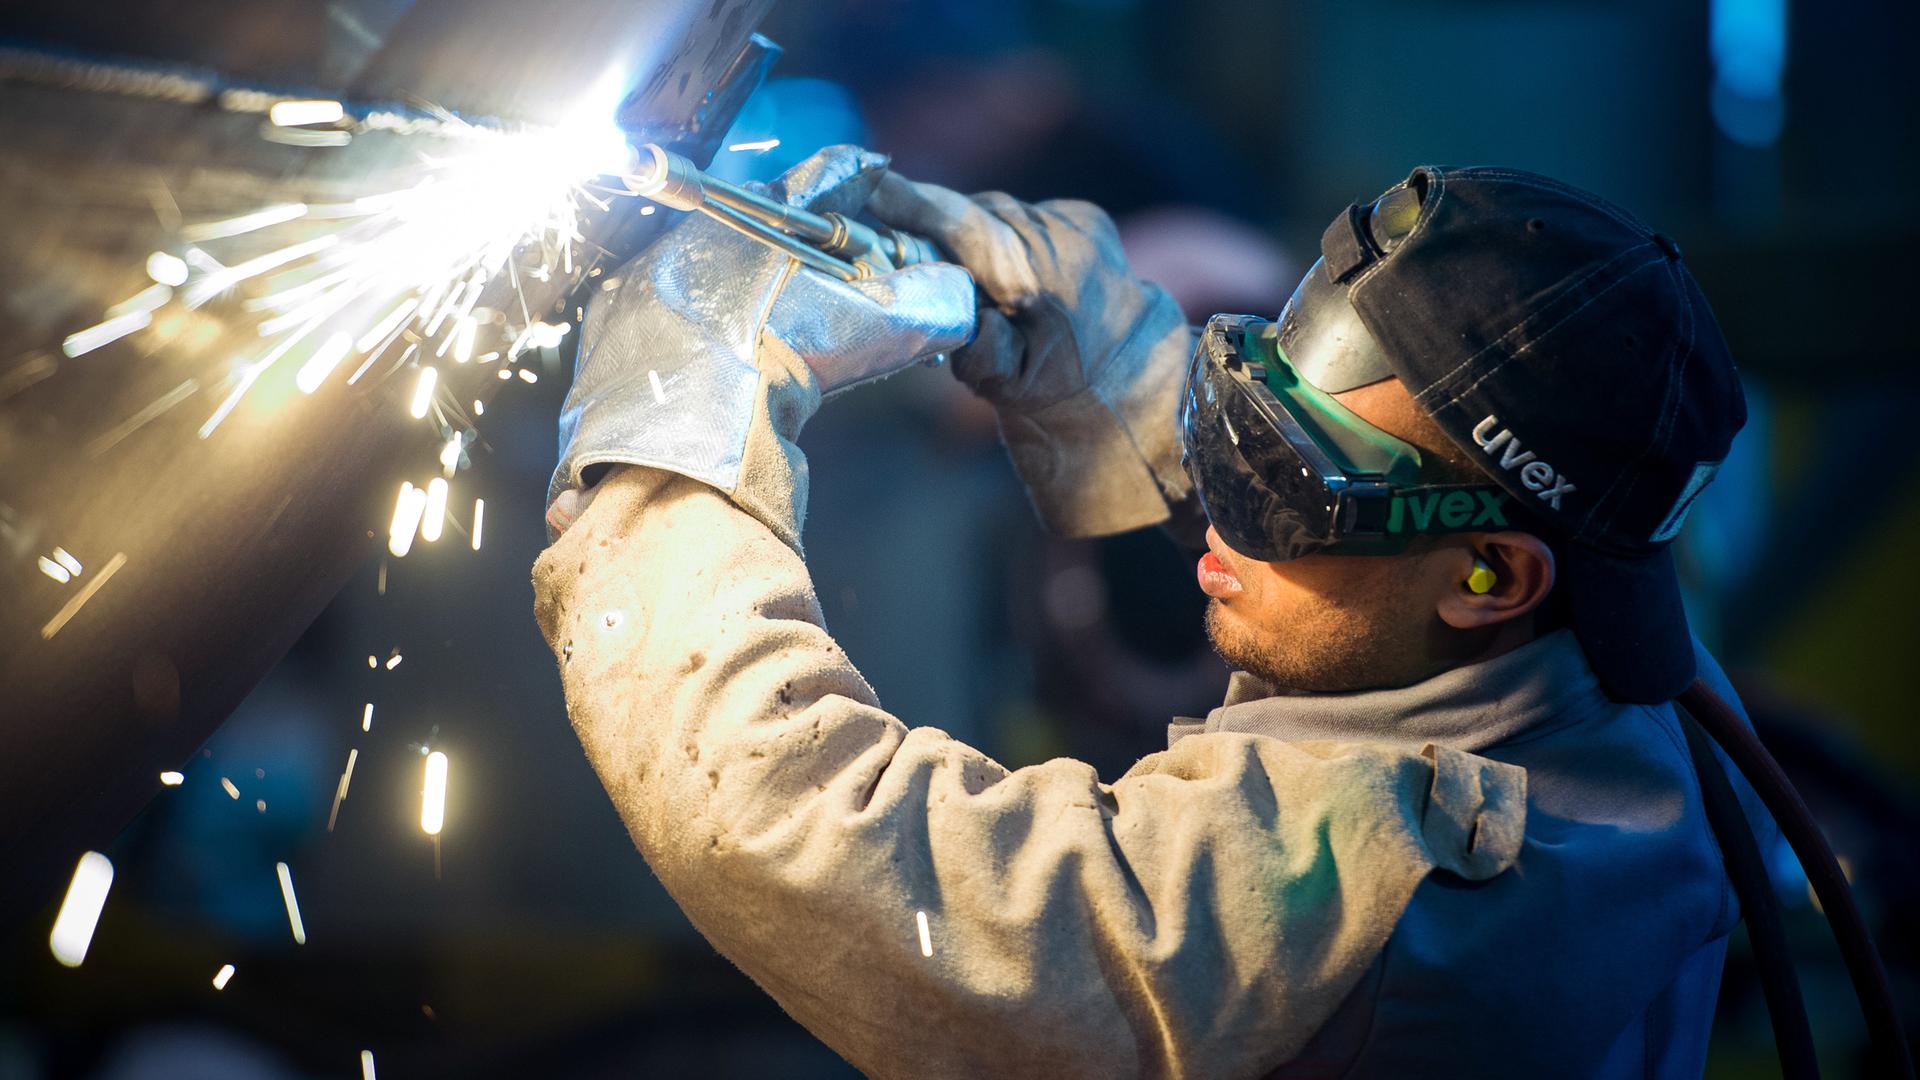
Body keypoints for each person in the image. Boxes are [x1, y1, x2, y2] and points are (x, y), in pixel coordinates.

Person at [534, 146, 1764, 1077]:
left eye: (1280, 480)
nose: (1223, 505)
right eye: (1238, 411)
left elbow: (819, 842)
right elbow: (1357, 487)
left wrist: (668, 436)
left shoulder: (1389, 895)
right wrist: (1074, 335)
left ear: (1489, 577)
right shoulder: (1609, 676)